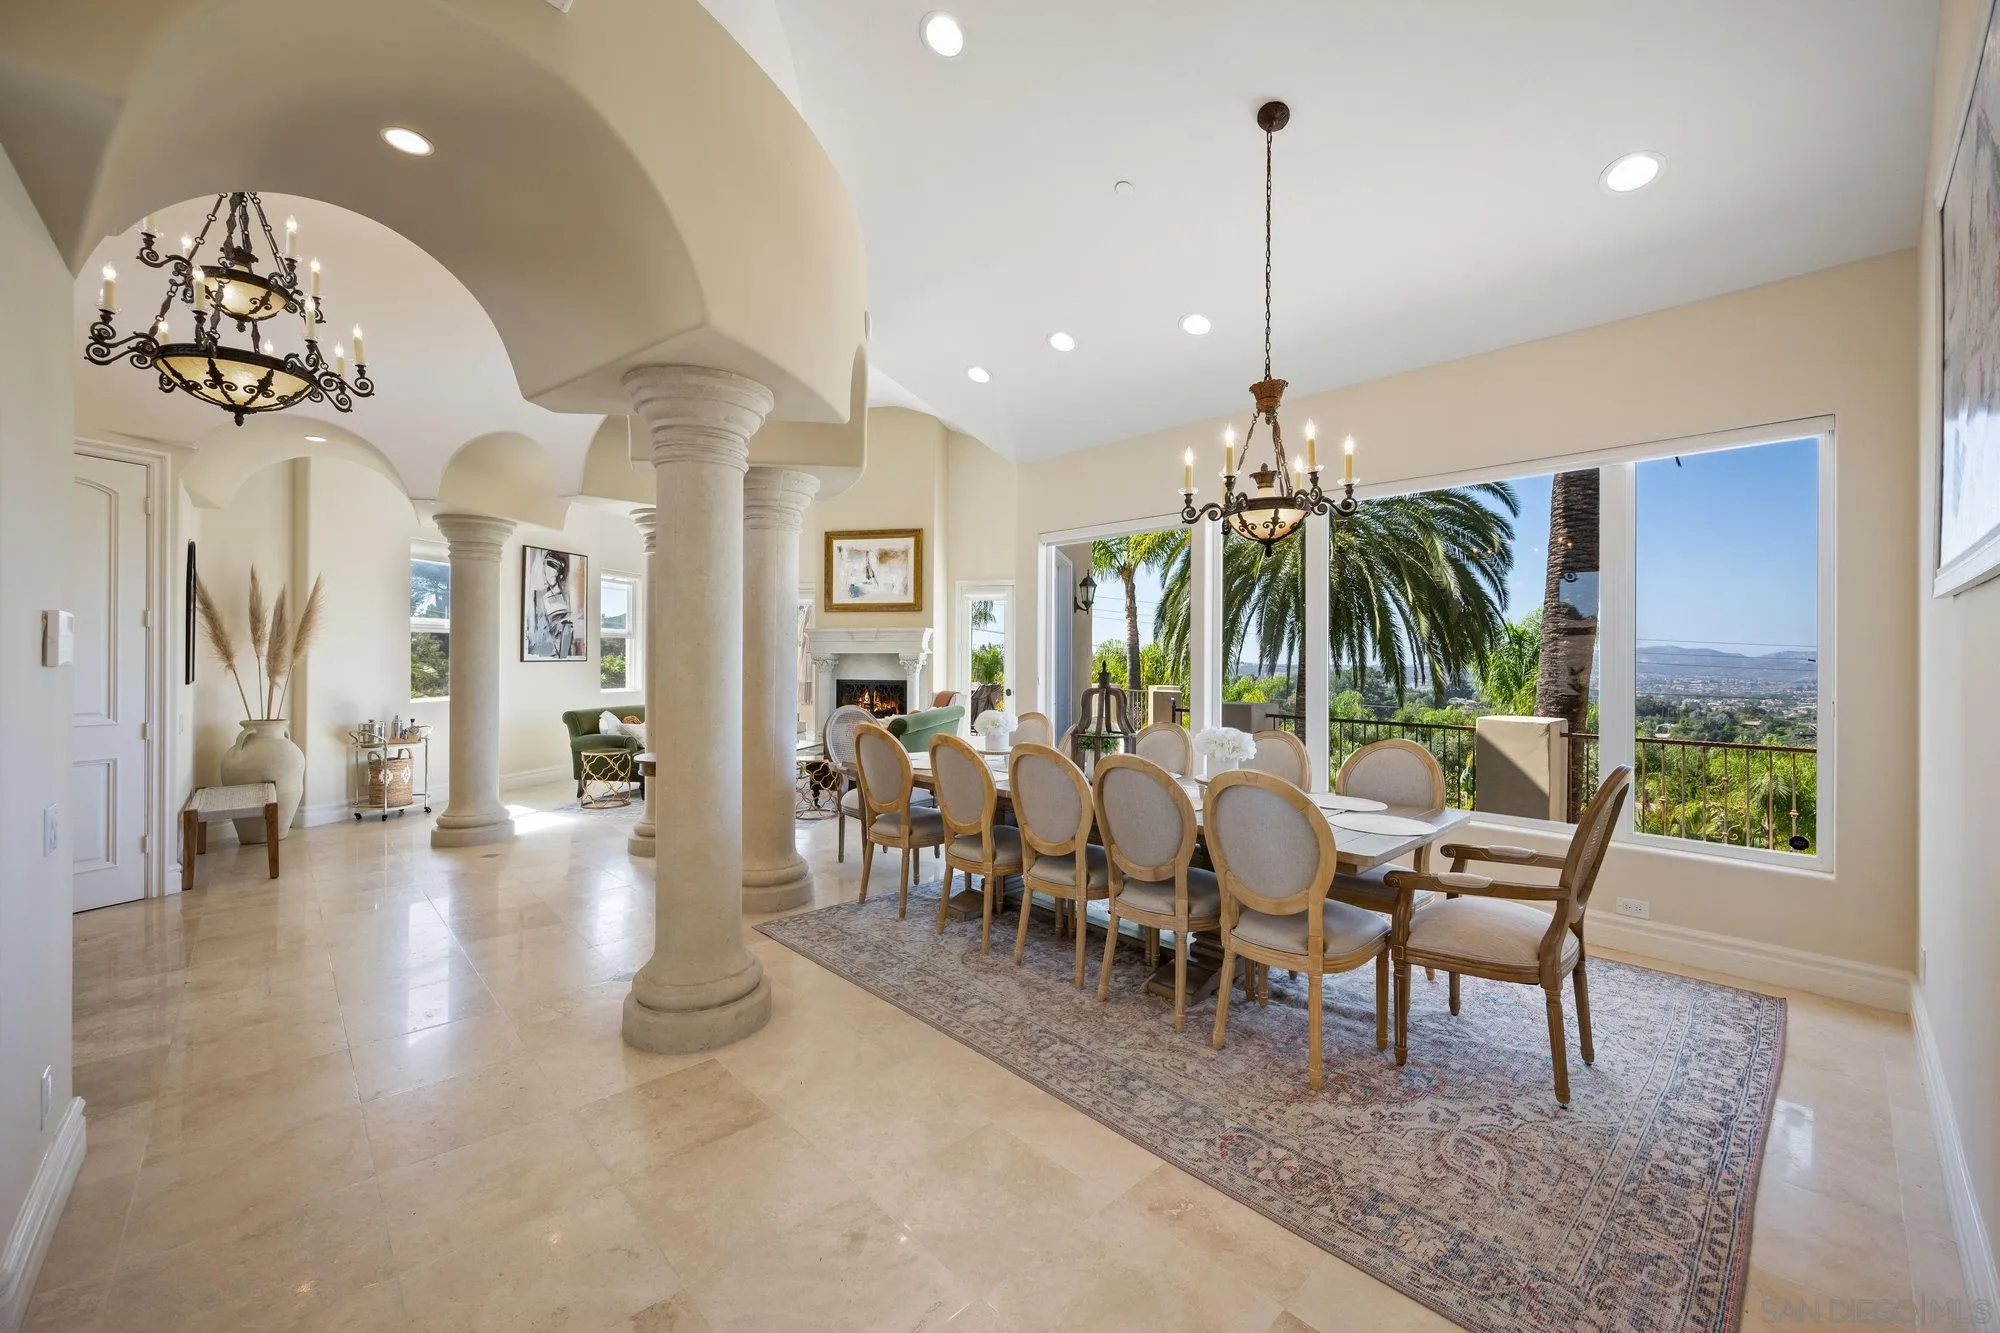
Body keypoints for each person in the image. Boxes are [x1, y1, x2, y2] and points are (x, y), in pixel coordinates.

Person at [530, 550, 578, 657]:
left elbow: (567, 628)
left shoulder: (566, 597)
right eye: (546, 571)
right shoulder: (538, 596)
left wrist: (563, 655)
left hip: (558, 650)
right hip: (542, 650)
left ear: (557, 573)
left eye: (552, 571)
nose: (548, 575)